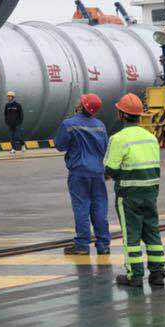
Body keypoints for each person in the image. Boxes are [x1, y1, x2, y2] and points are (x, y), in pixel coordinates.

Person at [105, 93, 165, 290]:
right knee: (152, 232)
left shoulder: (118, 139)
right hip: (150, 193)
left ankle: (135, 275)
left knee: (131, 235)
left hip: (129, 195)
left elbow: (110, 169)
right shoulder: (151, 138)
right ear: (139, 115)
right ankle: (158, 273)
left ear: (122, 115)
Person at [54, 93, 111, 256]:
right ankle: (103, 245)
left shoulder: (68, 124)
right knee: (100, 206)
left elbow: (59, 145)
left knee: (81, 207)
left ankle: (82, 245)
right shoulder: (100, 126)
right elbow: (105, 148)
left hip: (79, 172)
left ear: (82, 106)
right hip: (98, 172)